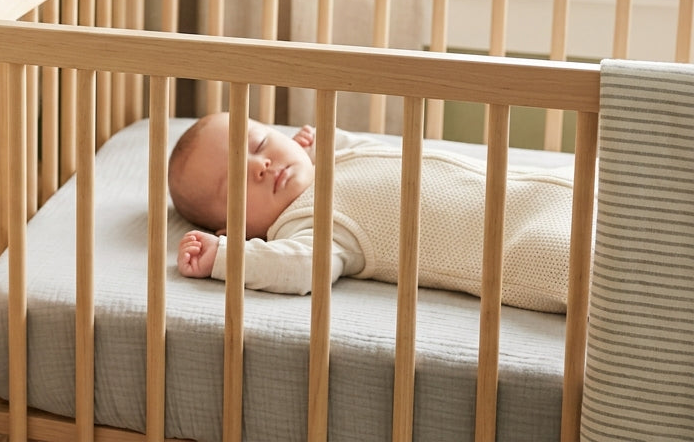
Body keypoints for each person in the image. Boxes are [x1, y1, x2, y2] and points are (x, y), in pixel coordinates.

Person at [169, 113, 573, 313]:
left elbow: (370, 148)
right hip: (525, 244)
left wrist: (323, 141)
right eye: (236, 182)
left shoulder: (334, 157)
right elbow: (300, 268)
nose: (260, 166)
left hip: (542, 186)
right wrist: (223, 258)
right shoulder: (309, 224)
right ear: (234, 231)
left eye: (259, 144)